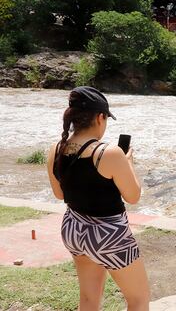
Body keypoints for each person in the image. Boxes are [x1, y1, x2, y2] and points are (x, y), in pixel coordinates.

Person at [46, 87, 150, 310]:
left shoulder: (55, 149)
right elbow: (133, 196)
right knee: (138, 300)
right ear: (100, 117)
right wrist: (128, 162)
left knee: (89, 299)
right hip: (109, 234)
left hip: (74, 228)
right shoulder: (109, 153)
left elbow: (59, 194)